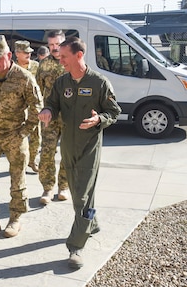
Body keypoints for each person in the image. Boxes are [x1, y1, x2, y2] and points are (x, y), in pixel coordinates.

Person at [38, 36, 121, 269]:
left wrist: (99, 119)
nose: (60, 59)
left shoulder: (99, 82)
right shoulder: (62, 82)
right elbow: (51, 103)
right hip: (68, 145)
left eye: (64, 56)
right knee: (77, 192)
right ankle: (91, 224)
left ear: (79, 55)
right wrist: (47, 111)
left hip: (89, 147)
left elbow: (114, 111)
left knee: (83, 195)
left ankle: (76, 246)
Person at [0, 35, 43, 241]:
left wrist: (24, 132)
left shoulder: (23, 78)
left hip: (14, 135)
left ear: (9, 55)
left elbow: (37, 107)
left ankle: (15, 218)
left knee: (17, 179)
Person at [35, 30, 69, 204]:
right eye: (51, 45)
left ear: (64, 43)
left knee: (68, 153)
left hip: (69, 116)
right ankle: (47, 188)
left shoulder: (70, 62)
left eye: (57, 44)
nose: (55, 48)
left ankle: (64, 186)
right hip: (49, 117)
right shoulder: (44, 65)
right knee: (47, 153)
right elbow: (38, 91)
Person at [14, 40, 41, 173]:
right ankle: (21, 162)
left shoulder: (36, 66)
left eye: (29, 52)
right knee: (19, 137)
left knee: (37, 136)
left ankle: (32, 160)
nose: (28, 55)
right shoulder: (12, 68)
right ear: (17, 53)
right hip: (18, 110)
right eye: (25, 52)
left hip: (34, 109)